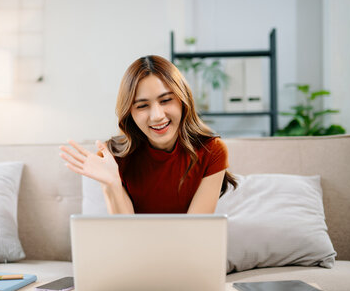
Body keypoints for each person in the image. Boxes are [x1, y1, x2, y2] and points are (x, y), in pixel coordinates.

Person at [60, 55, 237, 214]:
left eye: (166, 100)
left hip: (187, 249)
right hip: (134, 250)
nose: (157, 116)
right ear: (130, 113)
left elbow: (197, 232)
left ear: (183, 101)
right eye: (142, 106)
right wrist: (112, 183)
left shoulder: (211, 151)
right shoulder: (111, 157)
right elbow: (126, 235)